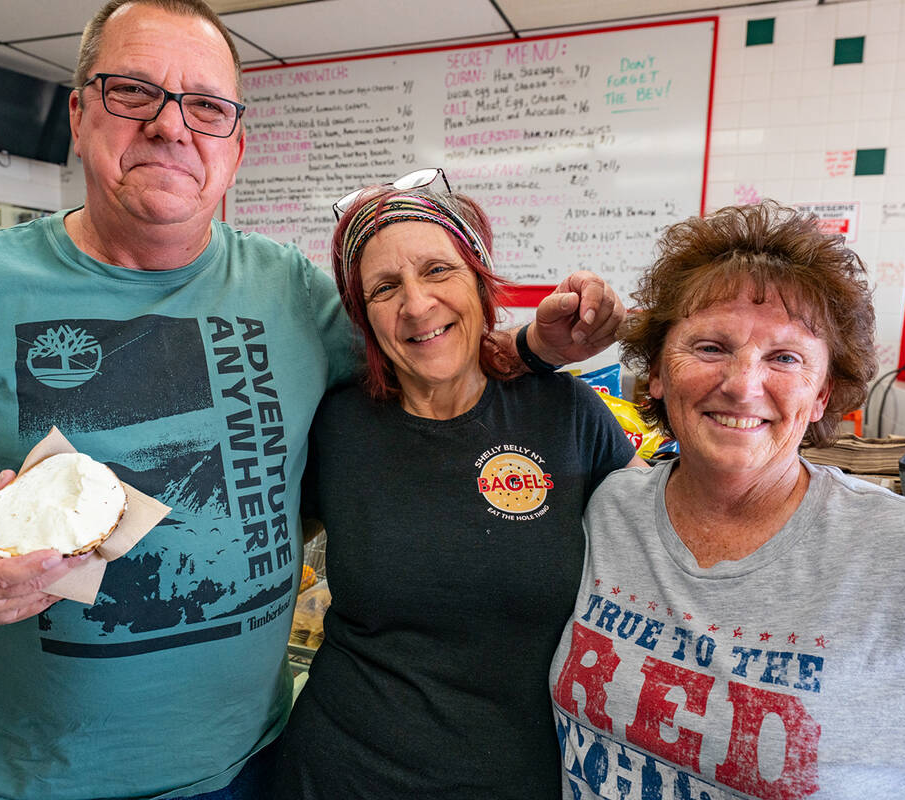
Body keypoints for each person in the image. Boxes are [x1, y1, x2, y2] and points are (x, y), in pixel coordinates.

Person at [0, 2, 626, 799]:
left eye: (205, 106)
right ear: (79, 114)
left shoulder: (297, 294)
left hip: (258, 763)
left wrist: (532, 347)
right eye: (133, 91)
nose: (170, 126)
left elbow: (427, 352)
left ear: (235, 146)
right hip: (34, 781)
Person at [549, 201, 905, 799]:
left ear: (823, 394)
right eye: (710, 348)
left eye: (785, 358)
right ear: (657, 375)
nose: (743, 384)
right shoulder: (608, 510)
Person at [272, 185, 645, 799]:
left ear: (479, 280)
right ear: (363, 317)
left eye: (438, 270)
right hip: (336, 774)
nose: (417, 304)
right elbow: (263, 546)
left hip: (520, 780)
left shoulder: (567, 413)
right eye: (384, 288)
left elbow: (664, 549)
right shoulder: (334, 424)